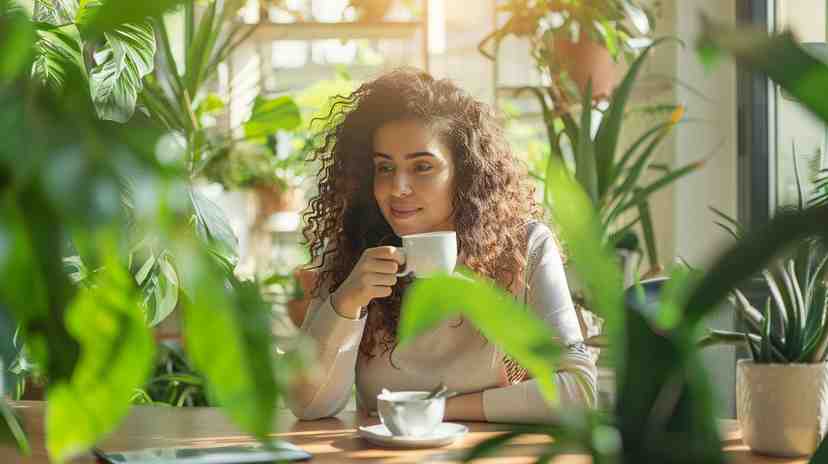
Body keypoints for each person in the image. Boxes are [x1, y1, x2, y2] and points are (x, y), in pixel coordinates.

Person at [288, 68, 597, 424]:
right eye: (384, 168)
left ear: (463, 171)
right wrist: (346, 303)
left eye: (422, 166)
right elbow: (308, 406)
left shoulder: (523, 247)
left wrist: (432, 411)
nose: (398, 187)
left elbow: (579, 392)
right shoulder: (356, 252)